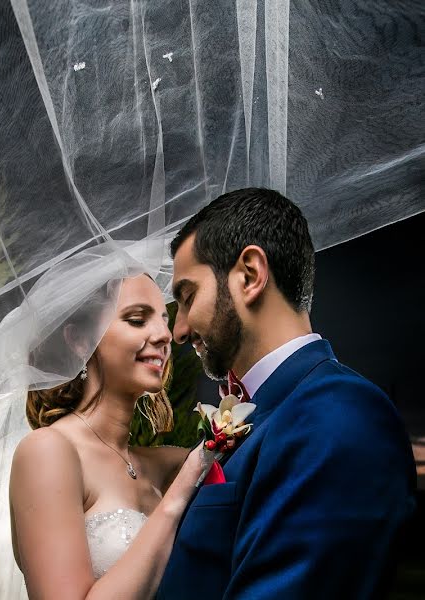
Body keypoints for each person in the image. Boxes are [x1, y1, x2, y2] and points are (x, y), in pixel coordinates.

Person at [157, 187, 417, 599]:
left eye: (188, 297)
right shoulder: (268, 413)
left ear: (250, 275)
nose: (180, 329)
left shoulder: (338, 416)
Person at [9, 271, 209, 599]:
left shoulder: (166, 463)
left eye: (163, 318)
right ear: (80, 341)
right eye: (136, 320)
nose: (164, 335)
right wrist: (175, 500)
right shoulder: (48, 451)